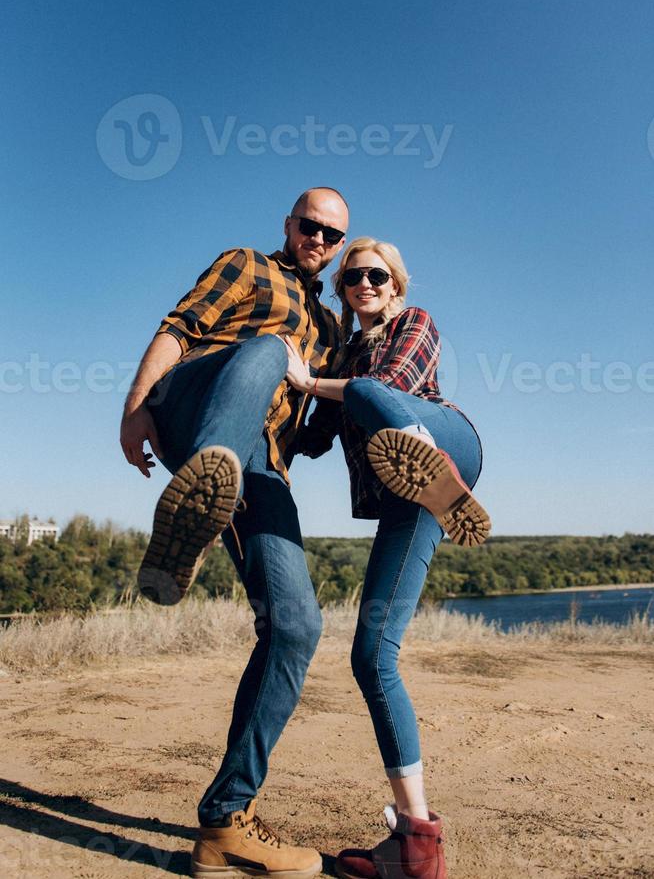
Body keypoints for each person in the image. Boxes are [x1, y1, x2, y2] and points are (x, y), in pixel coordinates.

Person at [119, 187, 349, 879]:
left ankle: (225, 823)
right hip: (194, 402)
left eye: (333, 236)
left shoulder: (334, 332)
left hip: (262, 461)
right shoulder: (249, 265)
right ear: (289, 225)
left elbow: (307, 440)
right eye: (310, 227)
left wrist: (358, 397)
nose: (319, 241)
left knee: (297, 626)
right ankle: (205, 479)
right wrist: (133, 411)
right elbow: (179, 328)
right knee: (269, 350)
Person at [282, 237, 491, 879]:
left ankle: (433, 465)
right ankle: (416, 843)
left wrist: (311, 379)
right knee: (372, 654)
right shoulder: (344, 353)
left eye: (376, 275)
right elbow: (312, 436)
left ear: (395, 284)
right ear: (344, 291)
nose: (364, 284)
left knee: (372, 393)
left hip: (448, 441)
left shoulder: (414, 324)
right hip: (408, 493)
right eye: (353, 279)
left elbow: (389, 385)